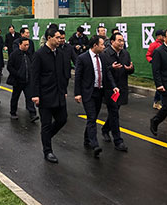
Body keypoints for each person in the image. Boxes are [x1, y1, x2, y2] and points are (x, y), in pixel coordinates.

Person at [74, 35, 119, 158]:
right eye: (102, 44)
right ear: (95, 45)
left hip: (99, 91)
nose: (104, 47)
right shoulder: (83, 58)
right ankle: (95, 145)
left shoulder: (103, 57)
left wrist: (114, 86)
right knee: (92, 117)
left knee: (93, 116)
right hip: (88, 92)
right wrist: (77, 93)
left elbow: (107, 73)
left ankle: (87, 138)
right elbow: (78, 77)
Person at [30, 27, 70, 164]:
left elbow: (63, 74)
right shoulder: (39, 54)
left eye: (60, 38)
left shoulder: (60, 54)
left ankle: (46, 137)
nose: (60, 40)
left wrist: (64, 90)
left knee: (62, 119)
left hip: (59, 94)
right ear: (49, 38)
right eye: (57, 38)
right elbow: (34, 76)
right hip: (45, 95)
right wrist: (35, 95)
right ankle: (47, 151)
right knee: (46, 124)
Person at [101, 32, 133, 152]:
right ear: (112, 42)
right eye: (119, 40)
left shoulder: (125, 53)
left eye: (122, 40)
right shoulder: (105, 54)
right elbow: (103, 71)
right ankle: (118, 141)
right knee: (114, 112)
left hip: (122, 87)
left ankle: (105, 129)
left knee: (115, 111)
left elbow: (130, 68)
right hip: (111, 89)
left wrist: (130, 69)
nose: (121, 43)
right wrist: (111, 68)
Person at [7, 37, 38, 122]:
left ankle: (32, 114)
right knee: (15, 97)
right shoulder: (14, 54)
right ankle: (13, 112)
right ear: (20, 45)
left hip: (28, 80)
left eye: (28, 45)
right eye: (25, 45)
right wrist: (17, 74)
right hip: (18, 81)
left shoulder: (29, 54)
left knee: (29, 97)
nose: (27, 46)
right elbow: (9, 66)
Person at [146, 29, 165, 110]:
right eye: (162, 35)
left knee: (163, 85)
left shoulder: (165, 44)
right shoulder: (154, 45)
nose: (164, 37)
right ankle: (160, 103)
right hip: (158, 69)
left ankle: (158, 102)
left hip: (165, 68)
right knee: (161, 85)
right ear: (158, 36)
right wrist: (153, 62)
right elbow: (148, 55)